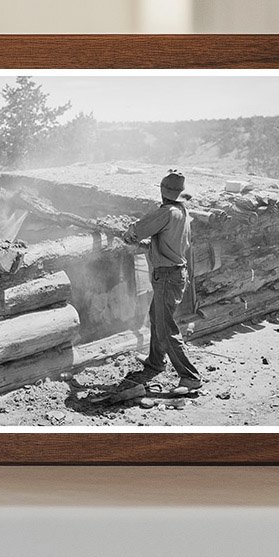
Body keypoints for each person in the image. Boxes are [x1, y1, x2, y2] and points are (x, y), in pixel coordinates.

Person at [120, 169, 202, 397]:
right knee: (157, 318)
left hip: (167, 276)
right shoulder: (183, 212)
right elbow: (169, 246)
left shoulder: (165, 213)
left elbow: (136, 231)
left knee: (166, 328)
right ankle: (156, 361)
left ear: (163, 192)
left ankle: (190, 377)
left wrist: (128, 236)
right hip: (173, 274)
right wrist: (148, 246)